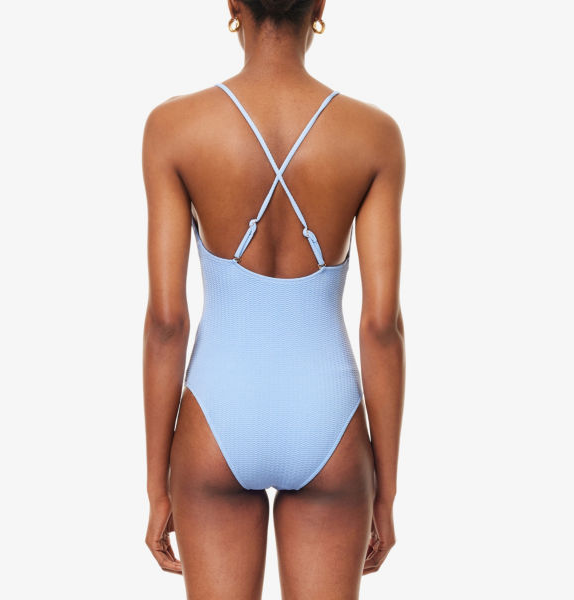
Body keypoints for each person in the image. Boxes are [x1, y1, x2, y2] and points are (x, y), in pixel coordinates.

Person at [141, 0, 406, 597]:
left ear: (234, 5)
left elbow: (166, 321)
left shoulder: (173, 128)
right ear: (319, 6)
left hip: (216, 419)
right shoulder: (374, 136)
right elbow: (381, 326)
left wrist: (157, 486)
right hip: (330, 419)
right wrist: (386, 493)